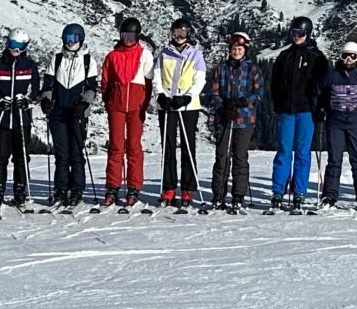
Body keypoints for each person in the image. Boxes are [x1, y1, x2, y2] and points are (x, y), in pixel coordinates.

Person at [266, 16, 327, 212]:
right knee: (284, 150)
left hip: (306, 111)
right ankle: (278, 190)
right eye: (293, 32)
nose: (296, 36)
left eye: (300, 33)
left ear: (307, 33)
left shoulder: (316, 57)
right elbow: (275, 83)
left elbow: (323, 85)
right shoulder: (285, 56)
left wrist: (321, 107)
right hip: (286, 110)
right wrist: (278, 104)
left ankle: (299, 191)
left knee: (302, 152)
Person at [0, 32, 43, 211]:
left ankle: (20, 190)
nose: (15, 49)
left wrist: (27, 100)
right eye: (12, 44)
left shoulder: (29, 65)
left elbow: (35, 89)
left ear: (25, 47)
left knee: (21, 156)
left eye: (20, 46)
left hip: (21, 118)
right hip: (1, 118)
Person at [205, 30, 264, 212]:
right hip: (225, 118)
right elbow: (213, 92)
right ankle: (218, 195)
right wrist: (222, 106)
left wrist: (244, 102)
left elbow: (259, 92)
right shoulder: (221, 68)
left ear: (245, 50)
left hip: (245, 119)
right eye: (234, 48)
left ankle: (238, 195)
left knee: (240, 157)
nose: (237, 51)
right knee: (222, 157)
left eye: (240, 49)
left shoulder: (252, 69)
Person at [99, 15, 155, 207]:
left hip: (135, 106)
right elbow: (105, 81)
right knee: (116, 147)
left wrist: (144, 104)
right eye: (125, 36)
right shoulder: (113, 56)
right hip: (116, 106)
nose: (128, 40)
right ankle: (112, 187)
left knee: (133, 147)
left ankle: (133, 186)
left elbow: (149, 83)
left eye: (132, 36)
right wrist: (108, 101)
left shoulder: (144, 55)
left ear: (137, 36)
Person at [319, 40, 357, 212]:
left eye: (352, 56)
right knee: (334, 160)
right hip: (335, 123)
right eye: (345, 56)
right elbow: (316, 91)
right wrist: (319, 109)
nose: (348, 60)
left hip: (356, 124)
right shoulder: (332, 76)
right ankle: (329, 196)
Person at [154, 17, 207, 207]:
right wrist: (160, 95)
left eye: (183, 32)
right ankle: (168, 187)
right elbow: (157, 77)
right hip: (167, 104)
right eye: (176, 32)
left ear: (189, 33)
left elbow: (200, 79)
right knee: (168, 146)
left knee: (188, 146)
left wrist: (187, 97)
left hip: (187, 105)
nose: (179, 36)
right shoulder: (164, 53)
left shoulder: (196, 54)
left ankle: (187, 188)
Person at [45, 23, 97, 208]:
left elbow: (92, 87)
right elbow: (48, 84)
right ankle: (61, 189)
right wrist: (46, 100)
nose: (70, 42)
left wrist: (84, 104)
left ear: (80, 40)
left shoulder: (88, 61)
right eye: (67, 38)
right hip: (58, 112)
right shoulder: (57, 59)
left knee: (76, 152)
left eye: (74, 38)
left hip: (77, 113)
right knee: (61, 153)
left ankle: (76, 188)